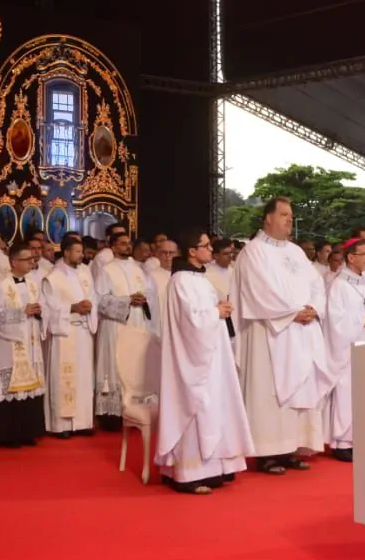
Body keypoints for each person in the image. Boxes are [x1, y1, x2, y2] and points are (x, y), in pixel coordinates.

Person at [231, 198, 333, 475]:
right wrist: (292, 312)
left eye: (291, 215)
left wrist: (314, 308)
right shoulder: (254, 252)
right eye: (284, 214)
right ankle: (268, 453)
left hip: (301, 329)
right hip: (269, 331)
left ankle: (293, 448)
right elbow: (260, 290)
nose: (290, 220)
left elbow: (316, 284)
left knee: (301, 389)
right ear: (268, 218)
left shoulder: (296, 252)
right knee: (270, 391)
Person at [156, 228, 254, 493]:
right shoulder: (181, 281)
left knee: (215, 406)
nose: (210, 249)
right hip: (194, 358)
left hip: (211, 354)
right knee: (198, 406)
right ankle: (188, 472)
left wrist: (218, 310)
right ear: (192, 252)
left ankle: (213, 468)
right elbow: (190, 322)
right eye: (206, 246)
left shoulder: (198, 278)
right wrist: (216, 312)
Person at [322, 238, 365, 463]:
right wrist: (363, 321)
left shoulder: (364, 283)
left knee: (363, 393)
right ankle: (342, 442)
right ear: (351, 257)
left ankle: (361, 438)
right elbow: (335, 321)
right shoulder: (339, 285)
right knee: (346, 393)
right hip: (347, 350)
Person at [0, 242, 46, 447]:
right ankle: (7, 434)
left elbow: (43, 307)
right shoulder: (0, 285)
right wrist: (21, 312)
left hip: (31, 340)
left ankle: (27, 431)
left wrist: (40, 312)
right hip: (8, 344)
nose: (32, 263)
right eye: (27, 259)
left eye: (33, 259)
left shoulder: (34, 283)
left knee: (29, 387)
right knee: (10, 387)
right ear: (14, 262)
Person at [94, 231, 156, 430]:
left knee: (135, 363)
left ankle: (137, 411)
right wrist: (127, 300)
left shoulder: (138, 269)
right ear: (112, 247)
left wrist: (143, 298)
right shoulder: (106, 270)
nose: (127, 247)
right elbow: (101, 301)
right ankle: (112, 415)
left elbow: (151, 292)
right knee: (115, 363)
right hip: (116, 325)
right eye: (122, 244)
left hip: (137, 322)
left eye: (128, 243)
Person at [41, 234, 97, 436]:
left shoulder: (85, 273)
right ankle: (62, 425)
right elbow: (48, 307)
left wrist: (90, 305)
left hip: (83, 332)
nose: (81, 255)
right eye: (78, 252)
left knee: (83, 377)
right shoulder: (53, 278)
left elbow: (92, 295)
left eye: (82, 252)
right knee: (64, 376)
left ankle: (82, 422)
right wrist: (72, 307)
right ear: (66, 253)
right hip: (65, 332)